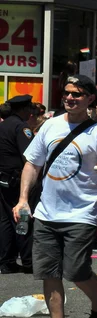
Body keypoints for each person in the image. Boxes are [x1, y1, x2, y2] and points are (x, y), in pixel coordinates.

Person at [13, 74, 97, 318]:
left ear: (90, 100)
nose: (70, 98)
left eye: (77, 94)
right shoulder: (50, 126)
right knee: (49, 272)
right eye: (67, 93)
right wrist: (23, 199)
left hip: (81, 214)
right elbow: (32, 165)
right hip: (46, 213)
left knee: (76, 271)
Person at [0, 95, 35, 274]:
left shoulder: (3, 125)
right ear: (23, 109)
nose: (31, 112)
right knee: (22, 218)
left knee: (6, 221)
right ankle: (29, 261)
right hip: (16, 180)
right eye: (30, 107)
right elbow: (29, 156)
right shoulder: (21, 127)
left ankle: (6, 261)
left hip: (3, 178)